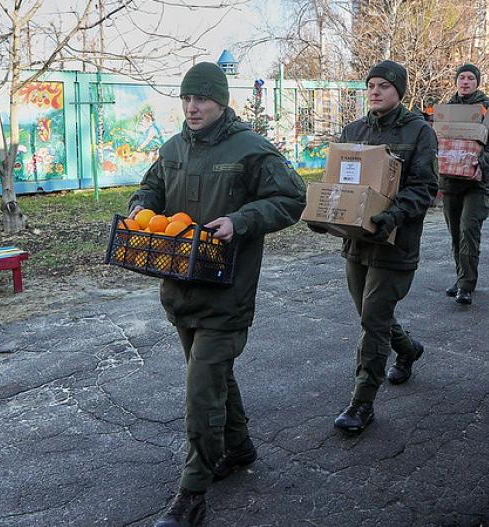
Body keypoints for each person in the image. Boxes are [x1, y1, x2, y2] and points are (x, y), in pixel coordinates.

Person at [127, 62, 307, 527]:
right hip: (181, 290)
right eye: (187, 98)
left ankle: (192, 495)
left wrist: (241, 221)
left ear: (221, 100)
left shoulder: (250, 148)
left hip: (227, 294)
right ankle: (240, 446)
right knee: (212, 379)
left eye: (202, 99)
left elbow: (291, 198)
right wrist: (140, 208)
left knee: (201, 393)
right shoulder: (172, 150)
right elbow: (149, 190)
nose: (192, 107)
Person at [323, 60, 438, 435]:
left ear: (398, 91)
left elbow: (423, 187)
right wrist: (327, 213)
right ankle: (407, 349)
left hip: (396, 243)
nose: (375, 91)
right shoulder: (354, 130)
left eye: (383, 86)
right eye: (370, 85)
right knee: (368, 315)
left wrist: (394, 214)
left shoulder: (419, 131)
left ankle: (362, 402)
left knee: (373, 320)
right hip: (357, 242)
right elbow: (340, 182)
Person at [439, 64, 489, 305]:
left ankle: (467, 285)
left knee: (469, 230)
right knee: (455, 233)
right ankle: (462, 277)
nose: (466, 82)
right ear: (456, 81)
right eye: (462, 77)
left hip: (476, 181)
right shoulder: (446, 109)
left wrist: (484, 160)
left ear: (477, 82)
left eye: (470, 78)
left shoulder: (487, 108)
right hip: (450, 181)